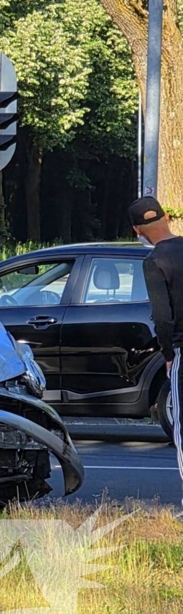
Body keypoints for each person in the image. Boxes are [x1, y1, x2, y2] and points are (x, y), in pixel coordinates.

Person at [131, 195, 183, 514]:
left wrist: (168, 355)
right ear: (165, 216)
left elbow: (163, 317)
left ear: (137, 229)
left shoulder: (154, 262)